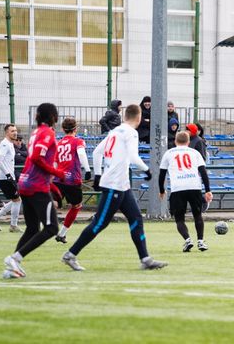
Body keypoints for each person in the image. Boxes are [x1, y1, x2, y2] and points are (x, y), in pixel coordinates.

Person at [62, 104, 167, 272]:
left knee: (136, 218)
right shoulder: (131, 132)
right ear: (139, 117)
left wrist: (98, 175)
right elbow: (133, 157)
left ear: (125, 116)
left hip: (121, 185)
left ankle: (145, 259)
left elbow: (97, 152)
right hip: (114, 184)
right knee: (100, 223)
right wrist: (147, 170)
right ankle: (70, 254)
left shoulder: (114, 131)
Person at [2, 103, 68, 279]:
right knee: (52, 228)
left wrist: (52, 183)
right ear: (53, 116)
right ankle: (15, 258)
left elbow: (34, 159)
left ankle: (12, 267)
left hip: (25, 183)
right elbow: (38, 158)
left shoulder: (36, 132)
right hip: (36, 186)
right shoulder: (47, 133)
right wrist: (57, 173)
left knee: (32, 229)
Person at [159, 131, 213, 252]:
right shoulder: (195, 153)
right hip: (194, 186)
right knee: (197, 215)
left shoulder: (168, 153)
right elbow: (203, 172)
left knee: (179, 219)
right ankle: (200, 241)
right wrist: (208, 190)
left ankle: (188, 240)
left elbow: (162, 174)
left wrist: (162, 190)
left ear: (175, 141)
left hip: (178, 188)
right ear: (188, 142)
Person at [53, 117, 92, 244]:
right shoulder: (77, 141)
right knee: (76, 206)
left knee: (54, 203)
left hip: (58, 178)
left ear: (63, 129)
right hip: (72, 180)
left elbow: (55, 162)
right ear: (76, 128)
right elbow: (81, 154)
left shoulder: (59, 143)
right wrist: (87, 170)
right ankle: (61, 234)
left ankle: (42, 224)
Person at [0, 124, 23, 233]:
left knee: (15, 200)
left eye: (15, 130)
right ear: (7, 132)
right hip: (5, 178)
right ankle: (13, 225)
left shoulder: (10, 144)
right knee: (17, 200)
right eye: (12, 131)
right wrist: (8, 174)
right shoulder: (5, 144)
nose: (15, 132)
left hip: (7, 177)